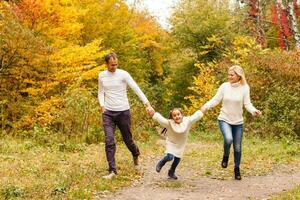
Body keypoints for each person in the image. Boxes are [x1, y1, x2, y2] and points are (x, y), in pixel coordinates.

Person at [98, 52, 154, 179]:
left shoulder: (123, 74)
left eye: (116, 64)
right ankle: (112, 170)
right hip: (108, 113)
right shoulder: (101, 76)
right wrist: (102, 105)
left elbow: (136, 88)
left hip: (123, 112)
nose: (114, 67)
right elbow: (100, 92)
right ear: (106, 64)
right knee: (109, 140)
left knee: (128, 140)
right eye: (112, 65)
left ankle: (136, 154)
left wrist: (147, 104)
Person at [201, 65, 262, 180]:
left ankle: (237, 169)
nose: (229, 77)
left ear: (239, 76)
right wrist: (206, 106)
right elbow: (216, 99)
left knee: (238, 147)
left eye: (231, 75)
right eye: (228, 74)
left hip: (238, 122)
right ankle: (226, 156)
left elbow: (247, 104)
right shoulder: (224, 86)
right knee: (228, 139)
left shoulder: (245, 87)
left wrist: (254, 111)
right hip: (224, 119)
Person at [150, 108, 203, 179]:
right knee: (170, 157)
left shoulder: (188, 121)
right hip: (171, 143)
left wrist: (203, 109)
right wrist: (153, 113)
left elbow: (196, 116)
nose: (177, 116)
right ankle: (161, 162)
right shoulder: (169, 123)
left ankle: (171, 172)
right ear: (172, 118)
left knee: (177, 160)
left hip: (180, 144)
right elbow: (160, 118)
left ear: (182, 115)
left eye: (178, 114)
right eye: (174, 115)